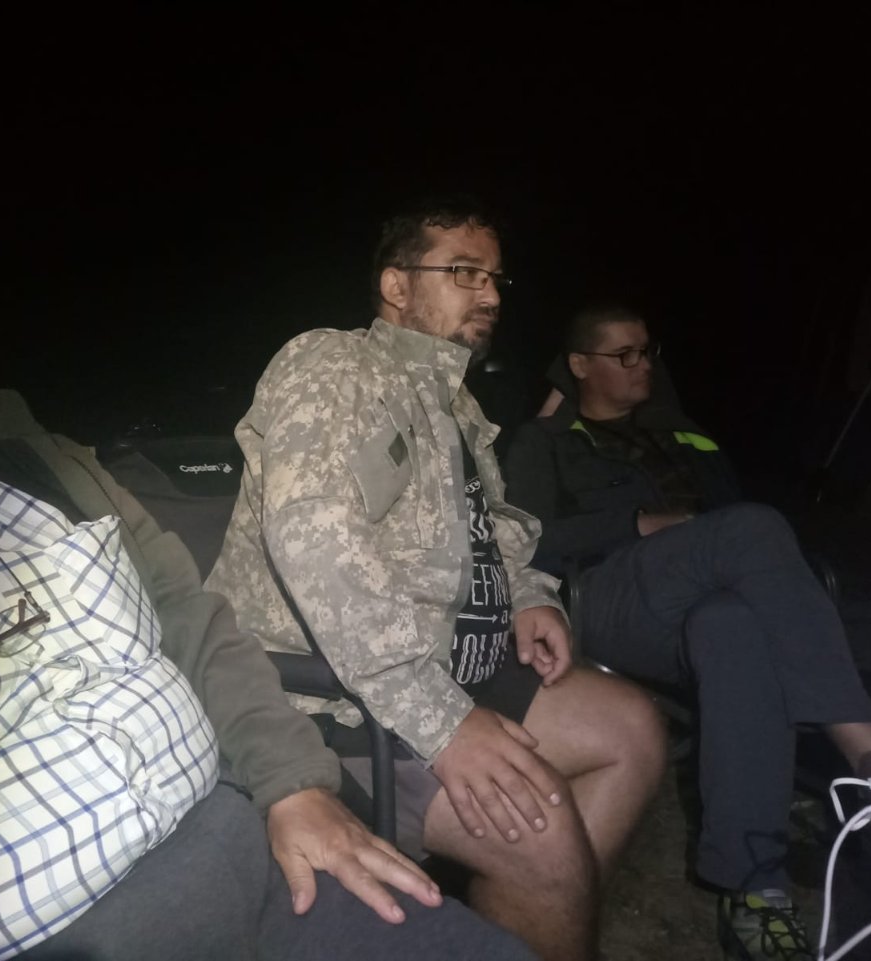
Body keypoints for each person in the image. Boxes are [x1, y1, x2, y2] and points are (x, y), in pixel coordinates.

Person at [0, 159, 538, 961]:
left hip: (262, 859)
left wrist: (292, 782)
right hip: (77, 936)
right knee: (539, 825)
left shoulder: (23, 458)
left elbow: (192, 619)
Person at [207, 198, 667, 961]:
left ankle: (521, 923)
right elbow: (317, 545)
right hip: (335, 696)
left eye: (494, 278)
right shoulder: (332, 364)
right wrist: (444, 721)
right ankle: (538, 889)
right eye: (463, 272)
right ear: (397, 285)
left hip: (454, 663)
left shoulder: (456, 402)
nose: (489, 294)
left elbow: (497, 528)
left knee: (632, 730)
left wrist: (530, 597)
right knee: (538, 824)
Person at [502, 304, 871, 961]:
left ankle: (753, 887)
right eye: (624, 354)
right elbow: (525, 538)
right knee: (754, 525)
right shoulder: (544, 441)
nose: (643, 364)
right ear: (579, 364)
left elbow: (741, 540)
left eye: (648, 351)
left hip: (696, 597)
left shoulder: (687, 436)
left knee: (733, 627)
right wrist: (638, 522)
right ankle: (865, 746)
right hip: (604, 594)